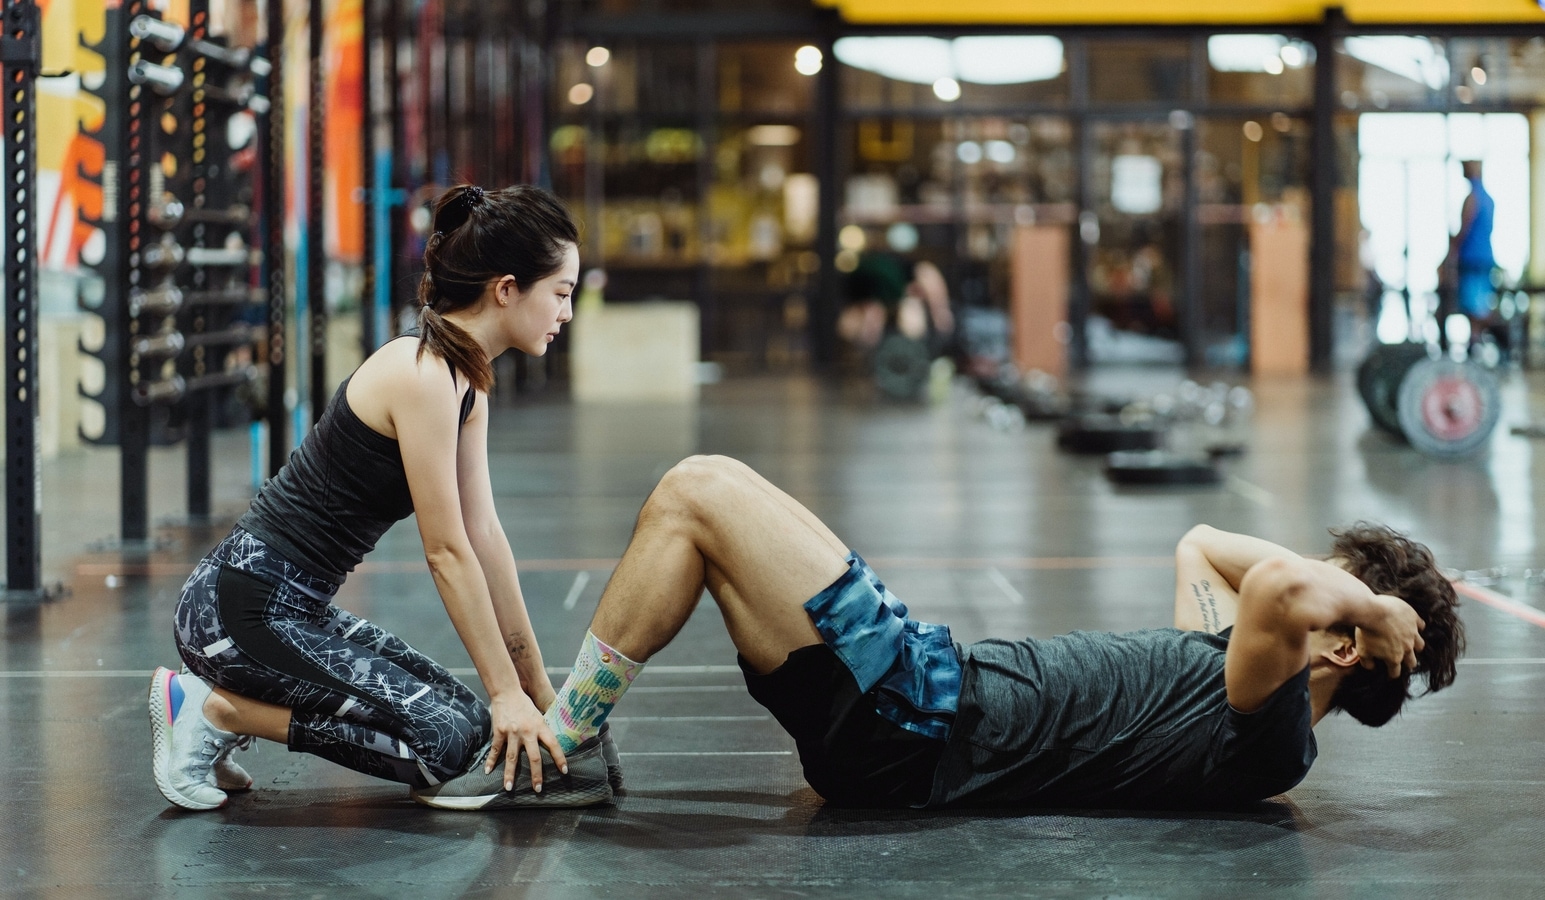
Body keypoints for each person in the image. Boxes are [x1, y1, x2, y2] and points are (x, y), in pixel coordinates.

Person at [414, 454, 1463, 810]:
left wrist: (1367, 606)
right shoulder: (1229, 666)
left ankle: (561, 745)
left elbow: (1279, 587)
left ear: (1334, 649)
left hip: (923, 711)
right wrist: (1356, 603)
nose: (1317, 593)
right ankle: (571, 742)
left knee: (700, 489)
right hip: (908, 711)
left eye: (1337, 607)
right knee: (698, 527)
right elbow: (1201, 545)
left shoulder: (1272, 728)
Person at [149, 184, 615, 812]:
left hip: (296, 611)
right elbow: (447, 552)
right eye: (560, 294)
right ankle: (215, 711)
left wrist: (534, 691)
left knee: (473, 729)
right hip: (235, 614)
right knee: (448, 744)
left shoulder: (466, 380)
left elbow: (485, 538)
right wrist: (505, 691)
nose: (566, 313)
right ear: (507, 289)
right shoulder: (421, 374)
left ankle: (225, 711)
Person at [1441, 160, 1498, 341]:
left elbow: (1464, 230)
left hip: (1471, 261)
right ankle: (1478, 341)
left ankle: (1481, 340)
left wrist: (1451, 255)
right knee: (1479, 305)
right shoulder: (1488, 199)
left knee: (1473, 307)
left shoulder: (1473, 198)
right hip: (1484, 259)